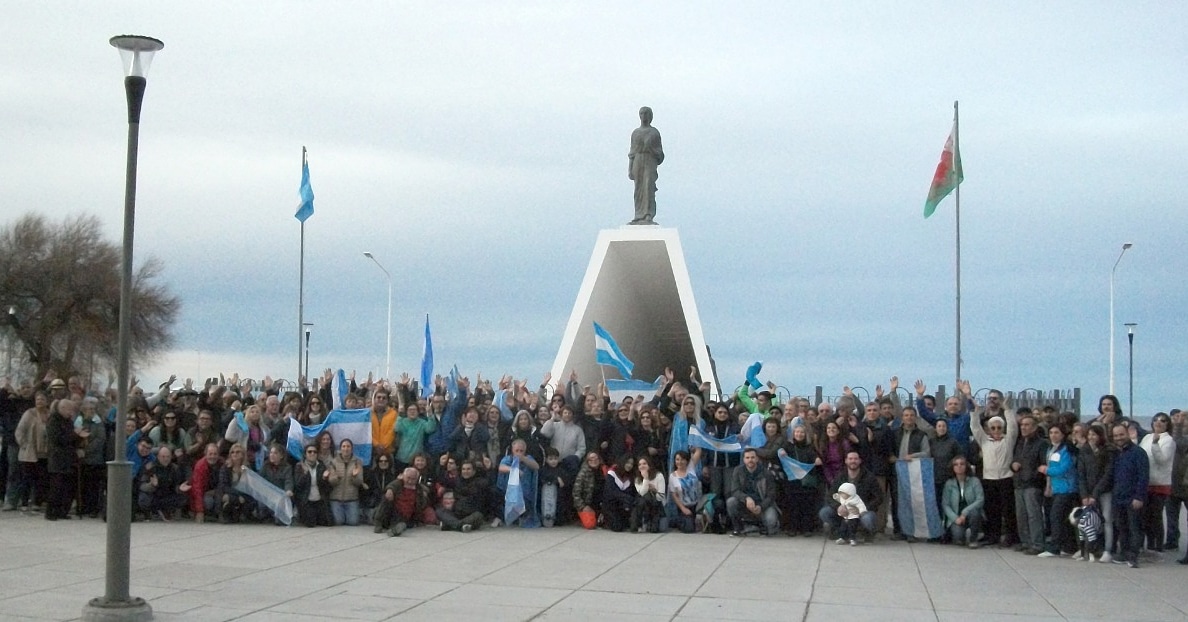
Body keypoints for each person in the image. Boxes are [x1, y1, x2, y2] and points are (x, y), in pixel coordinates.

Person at [971, 391, 1018, 548]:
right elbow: (975, 428)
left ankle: (1011, 537)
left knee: (1008, 511)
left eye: (999, 427)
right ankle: (993, 536)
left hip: (1006, 478)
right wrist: (974, 413)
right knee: (992, 510)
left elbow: (1012, 427)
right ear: (989, 429)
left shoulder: (1008, 441)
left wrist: (1007, 410)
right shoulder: (985, 441)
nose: (996, 430)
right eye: (993, 428)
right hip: (989, 479)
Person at [1107, 422, 1149, 568]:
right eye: (1116, 436)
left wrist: (1139, 497)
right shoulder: (1116, 454)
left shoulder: (1138, 453)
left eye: (1121, 435)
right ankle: (1124, 553)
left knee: (1134, 528)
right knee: (1121, 527)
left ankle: (1133, 556)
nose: (1118, 438)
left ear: (1128, 434)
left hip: (1133, 498)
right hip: (1118, 497)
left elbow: (1143, 476)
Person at [820, 451, 882, 541]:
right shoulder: (840, 477)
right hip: (844, 510)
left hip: (862, 510)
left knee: (868, 519)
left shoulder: (869, 477)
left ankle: (867, 532)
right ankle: (839, 530)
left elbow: (879, 497)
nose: (853, 461)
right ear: (846, 461)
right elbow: (830, 496)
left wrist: (863, 508)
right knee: (824, 512)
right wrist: (838, 507)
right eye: (850, 459)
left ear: (860, 461)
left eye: (856, 459)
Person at [1037, 424, 1078, 558]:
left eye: (1056, 432)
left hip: (1066, 488)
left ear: (1062, 435)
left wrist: (1046, 470)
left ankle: (1055, 546)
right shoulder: (1051, 449)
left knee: (1056, 516)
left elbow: (1064, 468)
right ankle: (1067, 546)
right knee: (1062, 519)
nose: (1053, 435)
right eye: (1051, 432)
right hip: (1055, 488)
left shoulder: (1066, 450)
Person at [1078, 423, 1117, 562]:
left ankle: (1108, 549)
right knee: (1088, 521)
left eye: (1094, 434)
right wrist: (1084, 495)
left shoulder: (1108, 451)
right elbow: (1081, 474)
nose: (1091, 437)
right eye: (1089, 435)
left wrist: (1095, 494)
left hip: (1104, 491)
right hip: (1088, 492)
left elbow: (1107, 474)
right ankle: (1088, 550)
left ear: (1100, 436)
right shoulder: (1084, 450)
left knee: (1106, 519)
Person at [45, 398, 88, 520]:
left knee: (67, 487)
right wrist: (75, 434)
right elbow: (58, 439)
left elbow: (71, 440)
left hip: (69, 458)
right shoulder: (53, 421)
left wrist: (80, 438)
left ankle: (62, 511)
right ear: (62, 408)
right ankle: (51, 512)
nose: (72, 412)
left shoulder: (68, 421)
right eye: (70, 409)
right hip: (57, 458)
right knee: (56, 487)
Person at [1139, 412, 1174, 552]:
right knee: (1145, 515)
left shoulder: (1168, 440)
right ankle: (1149, 544)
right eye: (1156, 420)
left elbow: (1162, 459)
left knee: (1156, 516)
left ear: (1167, 424)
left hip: (1160, 484)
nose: (1158, 422)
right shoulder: (1147, 437)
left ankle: (1158, 545)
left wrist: (1155, 444)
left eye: (1163, 421)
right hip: (1146, 481)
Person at [1012, 414, 1047, 555]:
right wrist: (1013, 464)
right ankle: (1025, 542)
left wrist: (1034, 476)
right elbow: (1015, 459)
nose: (1024, 427)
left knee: (1034, 515)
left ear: (1035, 427)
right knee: (1021, 515)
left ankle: (1037, 544)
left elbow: (1043, 464)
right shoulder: (1020, 443)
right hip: (1019, 482)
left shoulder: (1042, 444)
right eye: (1022, 425)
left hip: (1033, 484)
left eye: (1027, 425)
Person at [728, 448, 779, 536]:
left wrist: (761, 507)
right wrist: (746, 498)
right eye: (747, 458)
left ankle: (762, 525)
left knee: (771, 521)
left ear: (757, 459)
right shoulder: (738, 471)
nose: (750, 460)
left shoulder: (766, 473)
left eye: (752, 457)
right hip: (745, 503)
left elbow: (771, 495)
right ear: (743, 459)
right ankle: (738, 528)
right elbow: (735, 490)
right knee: (731, 502)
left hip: (762, 503)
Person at [783, 424, 823, 536]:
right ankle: (793, 528)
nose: (799, 434)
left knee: (807, 505)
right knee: (793, 505)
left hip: (806, 482)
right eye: (797, 432)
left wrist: (817, 460)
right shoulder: (788, 446)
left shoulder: (810, 447)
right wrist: (781, 452)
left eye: (802, 432)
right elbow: (780, 452)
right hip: (792, 481)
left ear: (805, 435)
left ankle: (807, 528)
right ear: (793, 434)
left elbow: (815, 457)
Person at [627, 106, 664, 225]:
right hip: (638, 160)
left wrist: (652, 150)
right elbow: (632, 153)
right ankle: (638, 215)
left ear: (650, 116)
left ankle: (648, 214)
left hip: (649, 160)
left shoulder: (654, 133)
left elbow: (661, 154)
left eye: (647, 113)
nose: (644, 116)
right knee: (638, 188)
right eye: (642, 113)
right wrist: (630, 168)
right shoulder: (635, 133)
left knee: (648, 186)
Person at [942, 455, 985, 548]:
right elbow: (945, 505)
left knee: (974, 513)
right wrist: (955, 518)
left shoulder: (975, 481)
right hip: (957, 517)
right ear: (952, 468)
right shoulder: (949, 483)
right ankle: (963, 534)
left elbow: (980, 500)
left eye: (962, 464)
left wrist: (964, 513)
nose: (959, 466)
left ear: (966, 466)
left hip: (971, 514)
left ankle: (973, 539)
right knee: (958, 538)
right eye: (956, 464)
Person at [137, 446, 189, 521]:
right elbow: (141, 485)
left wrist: (180, 488)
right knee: (143, 498)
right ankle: (149, 513)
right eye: (163, 456)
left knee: (183, 498)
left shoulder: (175, 468)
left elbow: (176, 485)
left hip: (166, 495)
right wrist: (151, 485)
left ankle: (165, 510)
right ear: (158, 456)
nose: (166, 459)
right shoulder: (150, 467)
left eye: (168, 456)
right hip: (153, 494)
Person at [293, 444, 333, 528]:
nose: (312, 454)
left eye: (315, 452)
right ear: (305, 454)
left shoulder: (321, 466)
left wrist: (324, 478)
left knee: (328, 522)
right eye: (309, 452)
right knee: (310, 524)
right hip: (307, 500)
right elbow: (298, 485)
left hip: (319, 500)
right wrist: (305, 474)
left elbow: (327, 488)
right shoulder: (299, 466)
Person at [328, 438, 366, 526]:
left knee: (353, 522)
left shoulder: (357, 462)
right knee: (338, 522)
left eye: (348, 446)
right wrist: (337, 477)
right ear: (340, 448)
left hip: (351, 499)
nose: (346, 449)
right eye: (344, 446)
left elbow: (359, 482)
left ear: (352, 448)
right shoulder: (334, 462)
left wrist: (354, 476)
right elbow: (331, 481)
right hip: (336, 499)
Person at [667, 450, 702, 533]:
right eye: (677, 459)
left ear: (687, 460)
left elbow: (698, 451)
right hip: (685, 506)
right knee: (689, 529)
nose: (680, 462)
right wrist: (683, 508)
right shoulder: (673, 476)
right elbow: (674, 495)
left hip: (698, 505)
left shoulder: (691, 468)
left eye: (682, 459)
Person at [257, 445, 294, 523]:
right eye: (271, 453)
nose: (272, 455)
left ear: (281, 456)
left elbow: (288, 480)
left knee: (279, 521)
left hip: (280, 496)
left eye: (275, 453)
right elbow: (259, 479)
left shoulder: (287, 468)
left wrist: (288, 490)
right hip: (268, 494)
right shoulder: (265, 466)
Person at [602, 455, 637, 532]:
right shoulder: (612, 474)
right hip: (610, 506)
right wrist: (626, 497)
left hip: (622, 506)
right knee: (617, 527)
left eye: (631, 464)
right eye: (628, 463)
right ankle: (604, 520)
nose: (629, 465)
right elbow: (612, 492)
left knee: (625, 526)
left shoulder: (630, 478)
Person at [631, 456, 666, 533]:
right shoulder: (637, 479)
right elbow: (642, 493)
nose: (642, 466)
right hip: (644, 506)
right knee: (645, 497)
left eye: (644, 463)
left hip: (657, 505)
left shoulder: (658, 475)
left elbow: (661, 497)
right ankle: (642, 522)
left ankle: (652, 522)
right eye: (640, 464)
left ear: (649, 465)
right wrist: (646, 478)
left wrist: (655, 490)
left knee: (660, 528)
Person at [573, 452, 606, 530]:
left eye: (595, 458)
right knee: (590, 525)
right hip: (587, 505)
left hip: (602, 504)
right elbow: (576, 493)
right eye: (591, 459)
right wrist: (583, 506)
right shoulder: (583, 473)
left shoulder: (604, 471)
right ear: (587, 461)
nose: (593, 460)